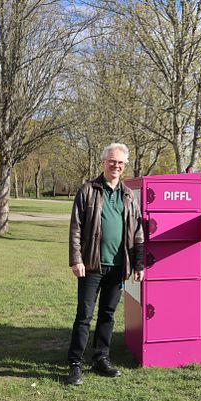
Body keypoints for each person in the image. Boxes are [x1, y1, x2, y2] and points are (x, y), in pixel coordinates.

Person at [65, 143, 144, 386]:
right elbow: (76, 228)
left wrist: (139, 264)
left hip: (118, 266)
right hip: (91, 265)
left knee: (108, 315)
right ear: (103, 163)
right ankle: (75, 364)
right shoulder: (88, 190)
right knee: (84, 315)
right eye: (112, 162)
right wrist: (76, 259)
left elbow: (138, 231)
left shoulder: (129, 195)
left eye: (120, 163)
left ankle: (101, 358)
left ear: (124, 165)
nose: (116, 166)